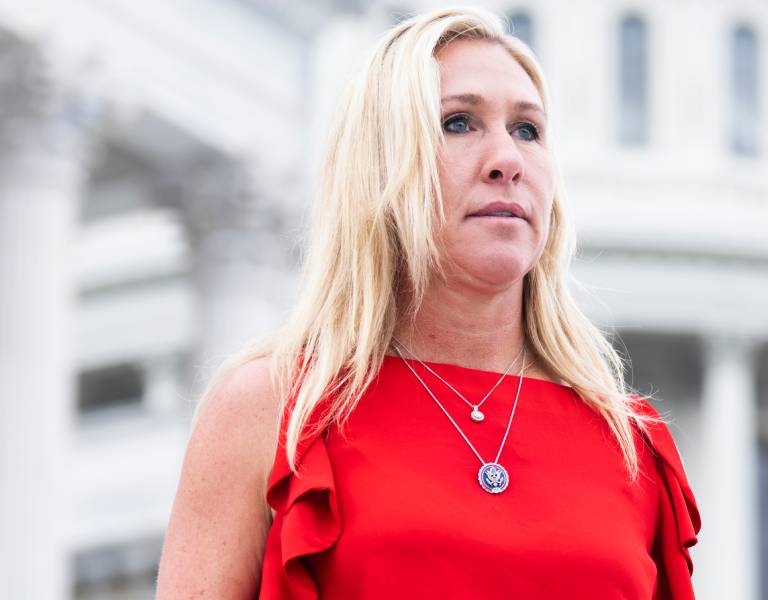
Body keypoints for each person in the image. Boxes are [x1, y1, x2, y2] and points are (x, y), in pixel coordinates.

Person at [156, 6, 699, 599]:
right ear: (380, 165)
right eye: (459, 123)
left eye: (528, 130)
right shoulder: (270, 409)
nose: (507, 161)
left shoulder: (632, 446)